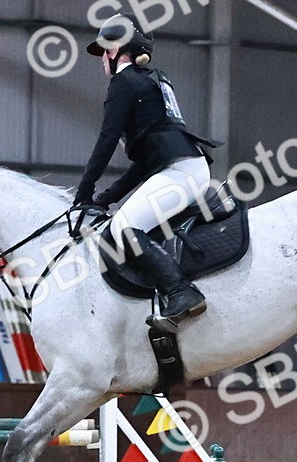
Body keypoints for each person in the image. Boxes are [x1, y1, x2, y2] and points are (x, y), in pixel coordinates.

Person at [75, 13, 219, 329]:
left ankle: (182, 294)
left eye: (103, 53)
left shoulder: (123, 83)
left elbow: (107, 138)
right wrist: (106, 197)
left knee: (124, 229)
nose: (102, 61)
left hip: (180, 172)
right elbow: (145, 162)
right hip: (183, 168)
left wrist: (84, 189)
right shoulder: (146, 81)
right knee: (126, 221)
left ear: (114, 51)